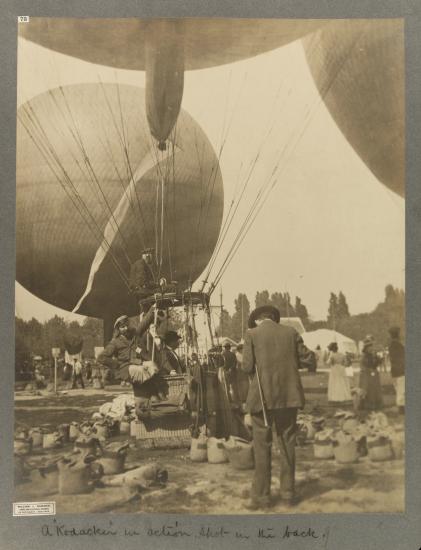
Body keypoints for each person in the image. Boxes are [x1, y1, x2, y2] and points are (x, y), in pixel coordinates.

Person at [241, 305, 305, 510]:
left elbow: (247, 367)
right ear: (273, 319)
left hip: (262, 399)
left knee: (262, 447)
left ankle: (262, 498)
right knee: (287, 443)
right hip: (288, 398)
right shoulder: (291, 332)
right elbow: (307, 358)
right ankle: (288, 494)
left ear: (258, 320)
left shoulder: (251, 334)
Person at [97, 308, 161, 418]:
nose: (125, 328)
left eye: (126, 325)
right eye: (122, 327)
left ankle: (153, 395)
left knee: (152, 366)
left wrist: (152, 310)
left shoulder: (134, 335)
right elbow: (101, 358)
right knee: (141, 371)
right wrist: (116, 365)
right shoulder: (115, 343)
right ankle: (153, 394)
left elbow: (144, 324)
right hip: (126, 368)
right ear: (118, 329)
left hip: (139, 363)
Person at [359, 336, 383, 410]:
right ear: (365, 349)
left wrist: (379, 360)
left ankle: (375, 403)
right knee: (367, 388)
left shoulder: (373, 355)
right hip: (367, 374)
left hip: (373, 373)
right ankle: (366, 404)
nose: (371, 348)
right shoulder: (364, 356)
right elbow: (364, 365)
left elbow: (377, 363)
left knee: (375, 388)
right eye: (369, 347)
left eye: (371, 347)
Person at [388, 326, 405, 413]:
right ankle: (401, 408)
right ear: (397, 334)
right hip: (400, 370)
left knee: (400, 388)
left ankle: (402, 406)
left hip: (397, 370)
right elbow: (399, 358)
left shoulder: (393, 344)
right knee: (401, 388)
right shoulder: (396, 345)